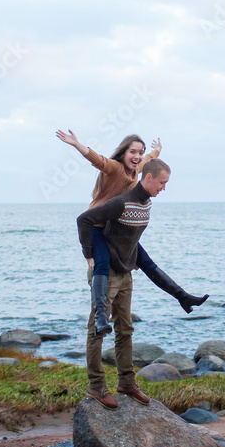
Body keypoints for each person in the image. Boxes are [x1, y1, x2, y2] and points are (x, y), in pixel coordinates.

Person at [56, 130, 208, 337]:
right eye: (132, 152)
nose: (137, 156)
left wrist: (156, 151)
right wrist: (76, 144)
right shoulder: (116, 168)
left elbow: (149, 160)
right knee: (101, 264)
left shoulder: (135, 172)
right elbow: (98, 160)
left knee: (147, 262)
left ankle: (183, 296)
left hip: (113, 228)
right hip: (96, 227)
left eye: (140, 152)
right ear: (123, 152)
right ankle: (101, 317)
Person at [77, 158, 171, 409]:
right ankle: (96, 385)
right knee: (97, 329)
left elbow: (128, 237)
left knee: (125, 329)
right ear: (148, 177)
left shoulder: (145, 203)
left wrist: (132, 259)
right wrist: (89, 254)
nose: (164, 187)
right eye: (162, 182)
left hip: (125, 272)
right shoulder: (121, 201)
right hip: (104, 274)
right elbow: (84, 220)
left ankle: (127, 382)